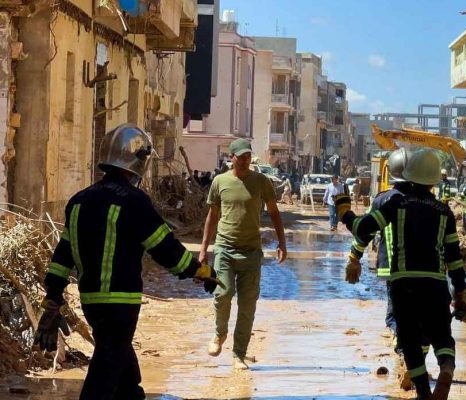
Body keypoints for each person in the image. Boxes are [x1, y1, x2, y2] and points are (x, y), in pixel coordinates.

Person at [33, 124, 220, 400]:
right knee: (105, 370)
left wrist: (53, 299)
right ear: (139, 160)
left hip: (91, 302)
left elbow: (62, 258)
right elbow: (165, 249)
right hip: (121, 303)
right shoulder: (134, 202)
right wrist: (200, 271)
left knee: (123, 368)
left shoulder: (78, 202)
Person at [338, 148, 466, 400]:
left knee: (408, 340)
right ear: (434, 180)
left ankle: (422, 393)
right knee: (441, 333)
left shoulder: (395, 202)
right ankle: (447, 367)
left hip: (402, 282)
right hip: (435, 282)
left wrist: (345, 213)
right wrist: (461, 292)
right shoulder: (444, 211)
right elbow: (454, 258)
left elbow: (363, 228)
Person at [343, 149, 428, 391]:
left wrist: (354, 257)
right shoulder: (428, 201)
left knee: (397, 316)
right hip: (428, 273)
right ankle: (417, 360)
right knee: (423, 319)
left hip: (393, 270)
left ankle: (404, 356)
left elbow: (365, 232)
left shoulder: (384, 199)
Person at [200, 138, 288, 370]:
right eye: (241, 156)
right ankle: (219, 335)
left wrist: (282, 243)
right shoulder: (220, 182)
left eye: (249, 156)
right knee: (223, 294)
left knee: (247, 305)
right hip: (225, 249)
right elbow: (212, 216)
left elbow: (275, 213)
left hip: (251, 252)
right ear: (232, 157)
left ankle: (239, 353)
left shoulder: (261, 181)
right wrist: (203, 250)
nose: (246, 160)